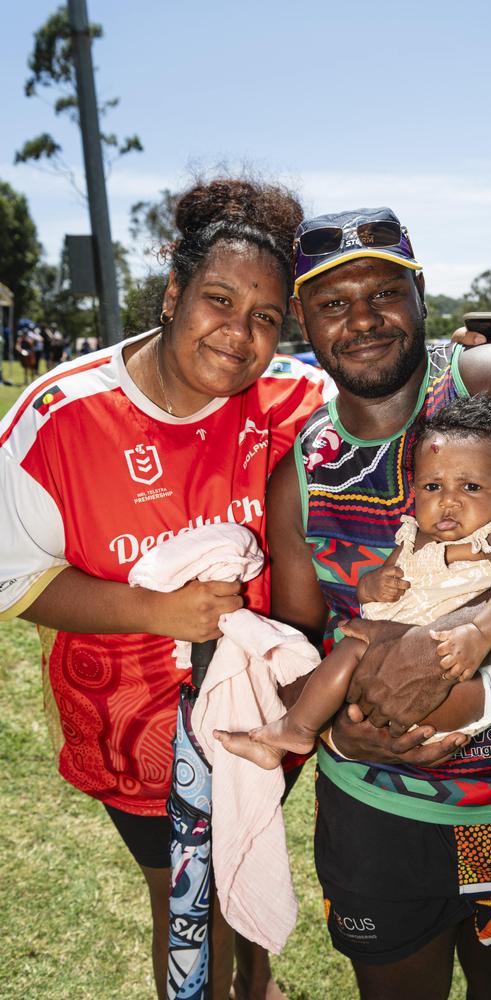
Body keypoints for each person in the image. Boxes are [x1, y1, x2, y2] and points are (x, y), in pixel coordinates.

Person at [263, 206, 491, 1000]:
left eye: (385, 293)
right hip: (377, 808)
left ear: (421, 293)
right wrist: (334, 732)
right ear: (303, 317)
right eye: (333, 303)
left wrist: (442, 653)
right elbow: (296, 638)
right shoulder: (302, 467)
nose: (363, 319)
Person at [0, 176, 330, 1000]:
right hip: (129, 736)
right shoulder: (62, 416)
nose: (240, 334)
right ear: (175, 289)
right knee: (184, 901)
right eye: (218, 299)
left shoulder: (300, 399)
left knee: (240, 863)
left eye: (265, 317)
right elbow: (12, 577)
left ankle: (257, 983)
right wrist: (153, 611)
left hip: (263, 720)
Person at [217, 394, 491, 768]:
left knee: (360, 657)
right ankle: (297, 729)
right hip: (390, 680)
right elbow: (381, 581)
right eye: (432, 487)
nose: (449, 502)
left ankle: (304, 729)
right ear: (414, 488)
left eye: (471, 487)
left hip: (468, 683)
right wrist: (371, 585)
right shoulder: (413, 536)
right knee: (353, 648)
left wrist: (482, 633)